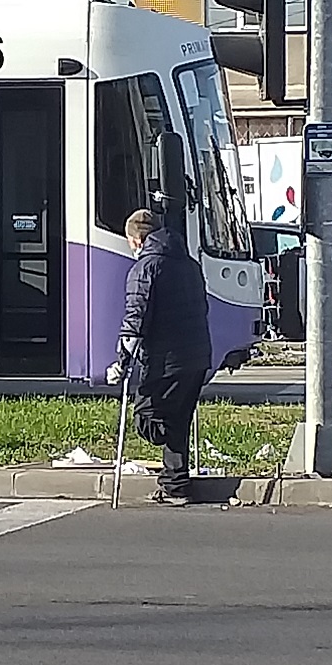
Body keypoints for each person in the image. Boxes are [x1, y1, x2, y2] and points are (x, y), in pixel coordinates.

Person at [105, 208, 211, 506]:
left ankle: (175, 481)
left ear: (136, 240)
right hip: (197, 355)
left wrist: (122, 362)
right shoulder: (189, 264)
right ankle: (176, 484)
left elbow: (135, 318)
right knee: (179, 419)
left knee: (147, 418)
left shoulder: (145, 268)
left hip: (167, 359)